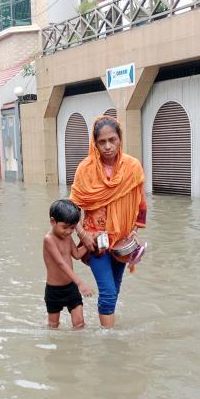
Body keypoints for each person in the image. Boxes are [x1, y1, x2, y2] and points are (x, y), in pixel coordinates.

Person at [70, 116, 147, 328]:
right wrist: (82, 235)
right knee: (108, 290)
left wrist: (133, 231)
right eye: (101, 142)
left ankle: (107, 332)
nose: (107, 146)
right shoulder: (85, 170)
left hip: (122, 240)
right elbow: (72, 208)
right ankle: (109, 339)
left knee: (115, 287)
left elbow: (139, 203)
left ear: (120, 138)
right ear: (94, 143)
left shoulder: (132, 167)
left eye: (112, 140)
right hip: (95, 241)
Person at [43, 199, 93, 329]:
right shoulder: (49, 239)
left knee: (79, 324)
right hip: (54, 291)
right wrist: (80, 283)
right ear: (53, 221)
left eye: (72, 228)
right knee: (53, 326)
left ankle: (77, 348)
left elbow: (76, 255)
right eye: (65, 227)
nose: (68, 231)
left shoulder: (67, 236)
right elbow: (60, 263)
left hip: (70, 288)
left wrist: (90, 243)